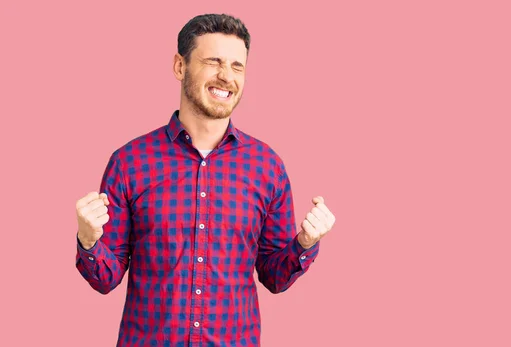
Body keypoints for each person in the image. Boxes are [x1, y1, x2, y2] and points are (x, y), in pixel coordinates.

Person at [74, 13, 336, 346]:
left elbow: (274, 277)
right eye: (213, 62)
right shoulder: (129, 162)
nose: (226, 76)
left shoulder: (267, 167)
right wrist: (88, 240)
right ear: (180, 67)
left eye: (237, 66)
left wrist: (305, 244)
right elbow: (105, 279)